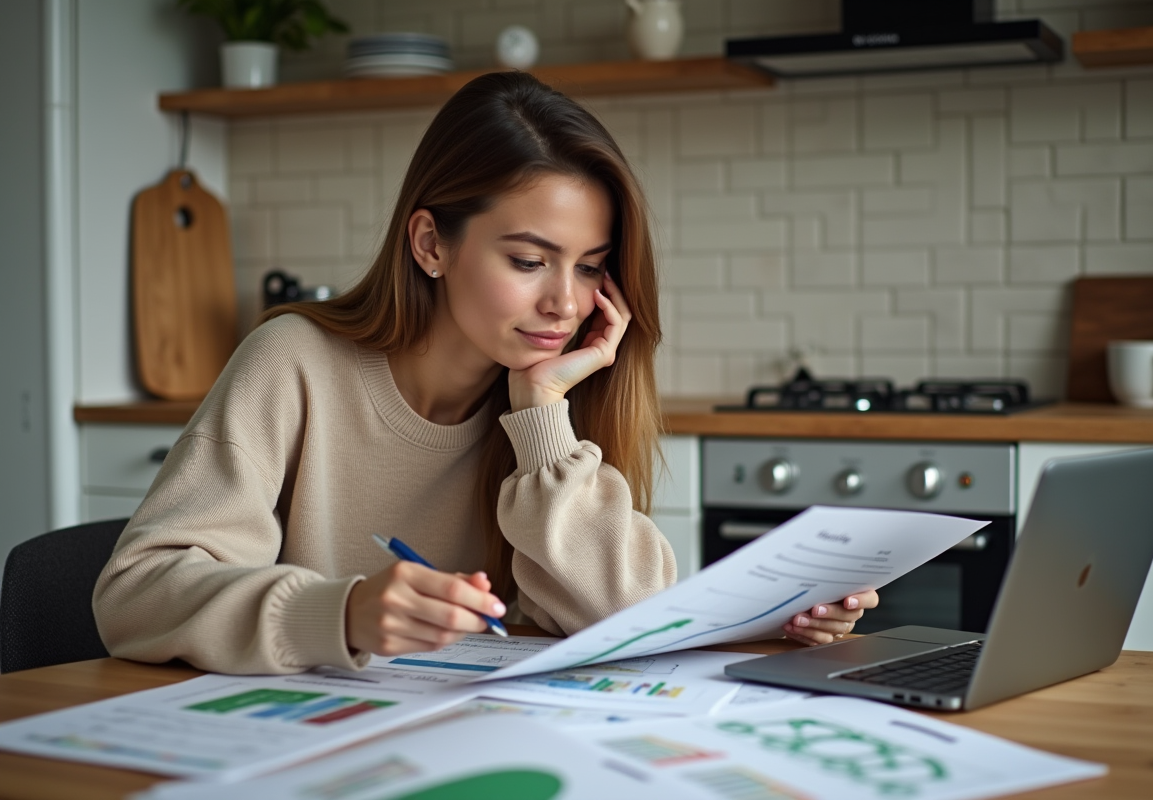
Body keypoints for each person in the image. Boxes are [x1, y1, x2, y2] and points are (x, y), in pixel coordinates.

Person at [93, 72, 876, 675]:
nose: (566, 302)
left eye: (591, 268)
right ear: (431, 244)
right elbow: (136, 593)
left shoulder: (552, 401)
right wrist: (344, 614)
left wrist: (776, 615)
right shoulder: (293, 362)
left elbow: (630, 615)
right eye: (529, 261)